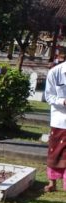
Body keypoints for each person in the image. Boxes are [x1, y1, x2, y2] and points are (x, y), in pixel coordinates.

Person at [43, 60, 66, 192]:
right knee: (55, 152)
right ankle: (52, 182)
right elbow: (49, 96)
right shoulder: (55, 72)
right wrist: (62, 101)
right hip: (59, 120)